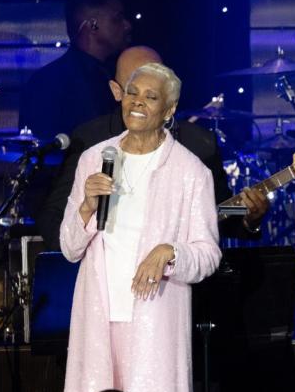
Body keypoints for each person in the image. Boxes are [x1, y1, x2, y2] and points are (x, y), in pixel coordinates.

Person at [60, 62, 222, 392]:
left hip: (153, 324)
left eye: (150, 97)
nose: (138, 102)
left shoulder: (190, 172)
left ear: (169, 110)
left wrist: (170, 252)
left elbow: (207, 255)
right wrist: (85, 207)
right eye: (133, 93)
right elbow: (69, 247)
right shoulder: (96, 159)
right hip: (100, 317)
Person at [37, 46, 268, 250]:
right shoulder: (90, 141)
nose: (141, 100)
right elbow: (54, 219)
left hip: (171, 282)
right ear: (117, 91)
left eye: (154, 87)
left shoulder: (198, 144)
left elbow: (216, 214)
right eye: (133, 88)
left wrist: (250, 219)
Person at [19, 0, 132, 142]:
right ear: (93, 25)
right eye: (117, 18)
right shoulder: (48, 82)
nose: (127, 25)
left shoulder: (117, 72)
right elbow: (43, 150)